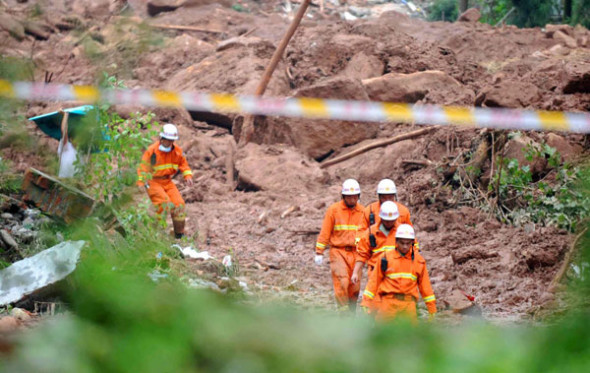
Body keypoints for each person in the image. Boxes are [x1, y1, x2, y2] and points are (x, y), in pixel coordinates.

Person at [361, 224, 436, 322]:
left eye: (408, 243)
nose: (405, 246)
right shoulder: (385, 258)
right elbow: (374, 281)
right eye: (402, 243)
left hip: (408, 305)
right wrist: (366, 302)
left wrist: (432, 308)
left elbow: (425, 287)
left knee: (408, 336)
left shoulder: (419, 261)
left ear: (412, 243)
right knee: (383, 334)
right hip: (388, 303)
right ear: (396, 242)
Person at [315, 179, 365, 312]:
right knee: (342, 282)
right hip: (338, 252)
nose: (352, 199)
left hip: (356, 253)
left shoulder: (363, 212)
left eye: (354, 196)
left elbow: (367, 234)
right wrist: (319, 251)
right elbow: (325, 231)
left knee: (354, 286)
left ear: (358, 196)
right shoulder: (334, 210)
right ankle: (343, 314)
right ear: (343, 196)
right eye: (349, 196)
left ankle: (351, 312)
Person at [137, 123, 193, 238]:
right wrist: (141, 182)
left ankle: (179, 234)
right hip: (153, 181)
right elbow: (143, 167)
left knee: (179, 204)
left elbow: (184, 164)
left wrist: (187, 176)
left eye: (171, 140)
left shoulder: (177, 151)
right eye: (166, 139)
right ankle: (158, 233)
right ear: (161, 138)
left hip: (167, 181)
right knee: (163, 203)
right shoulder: (152, 151)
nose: (168, 142)